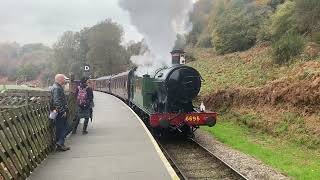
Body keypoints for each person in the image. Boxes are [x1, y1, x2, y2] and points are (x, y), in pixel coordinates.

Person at [50, 74, 70, 151]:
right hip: (59, 112)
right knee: (66, 127)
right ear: (60, 79)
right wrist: (63, 111)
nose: (65, 80)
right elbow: (57, 101)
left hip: (57, 111)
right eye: (63, 79)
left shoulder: (56, 87)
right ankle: (60, 142)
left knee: (60, 129)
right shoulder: (57, 88)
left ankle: (61, 145)